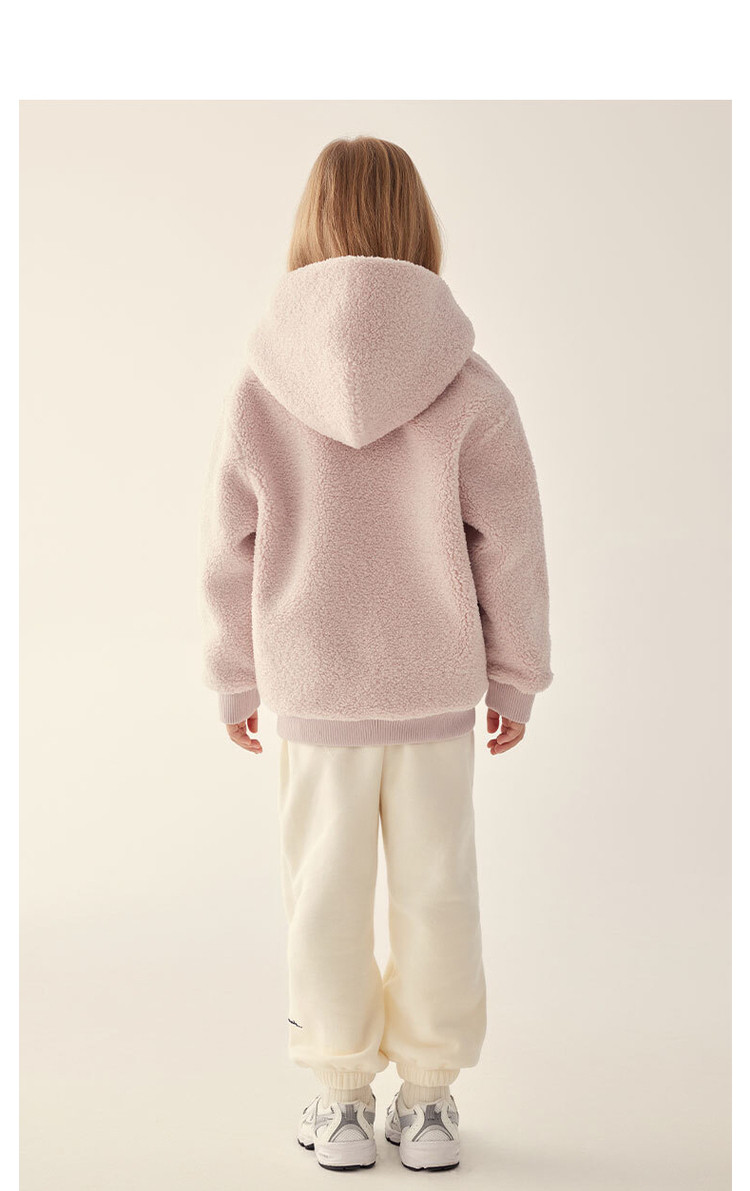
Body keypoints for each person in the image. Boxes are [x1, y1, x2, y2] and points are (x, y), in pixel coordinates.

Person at [198, 135, 553, 1172]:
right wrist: (516, 673)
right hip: (434, 687)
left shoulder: (262, 385)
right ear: (418, 223)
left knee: (323, 891)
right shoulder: (470, 386)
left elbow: (227, 544)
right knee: (438, 887)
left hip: (313, 688)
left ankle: (341, 1100)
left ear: (310, 223)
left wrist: (233, 672)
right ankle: (430, 1103)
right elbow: (513, 543)